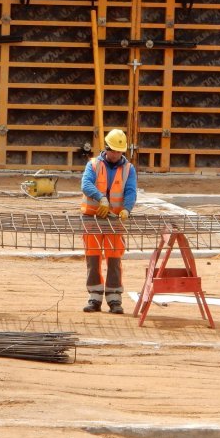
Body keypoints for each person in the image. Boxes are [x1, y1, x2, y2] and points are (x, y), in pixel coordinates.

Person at [80, 128, 137, 314]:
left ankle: (114, 298)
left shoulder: (128, 168)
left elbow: (130, 191)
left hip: (115, 220)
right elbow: (86, 184)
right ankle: (94, 297)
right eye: (114, 150)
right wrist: (100, 198)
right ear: (106, 148)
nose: (116, 154)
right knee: (93, 257)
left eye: (120, 151)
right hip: (92, 218)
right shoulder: (94, 165)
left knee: (114, 258)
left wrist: (127, 209)